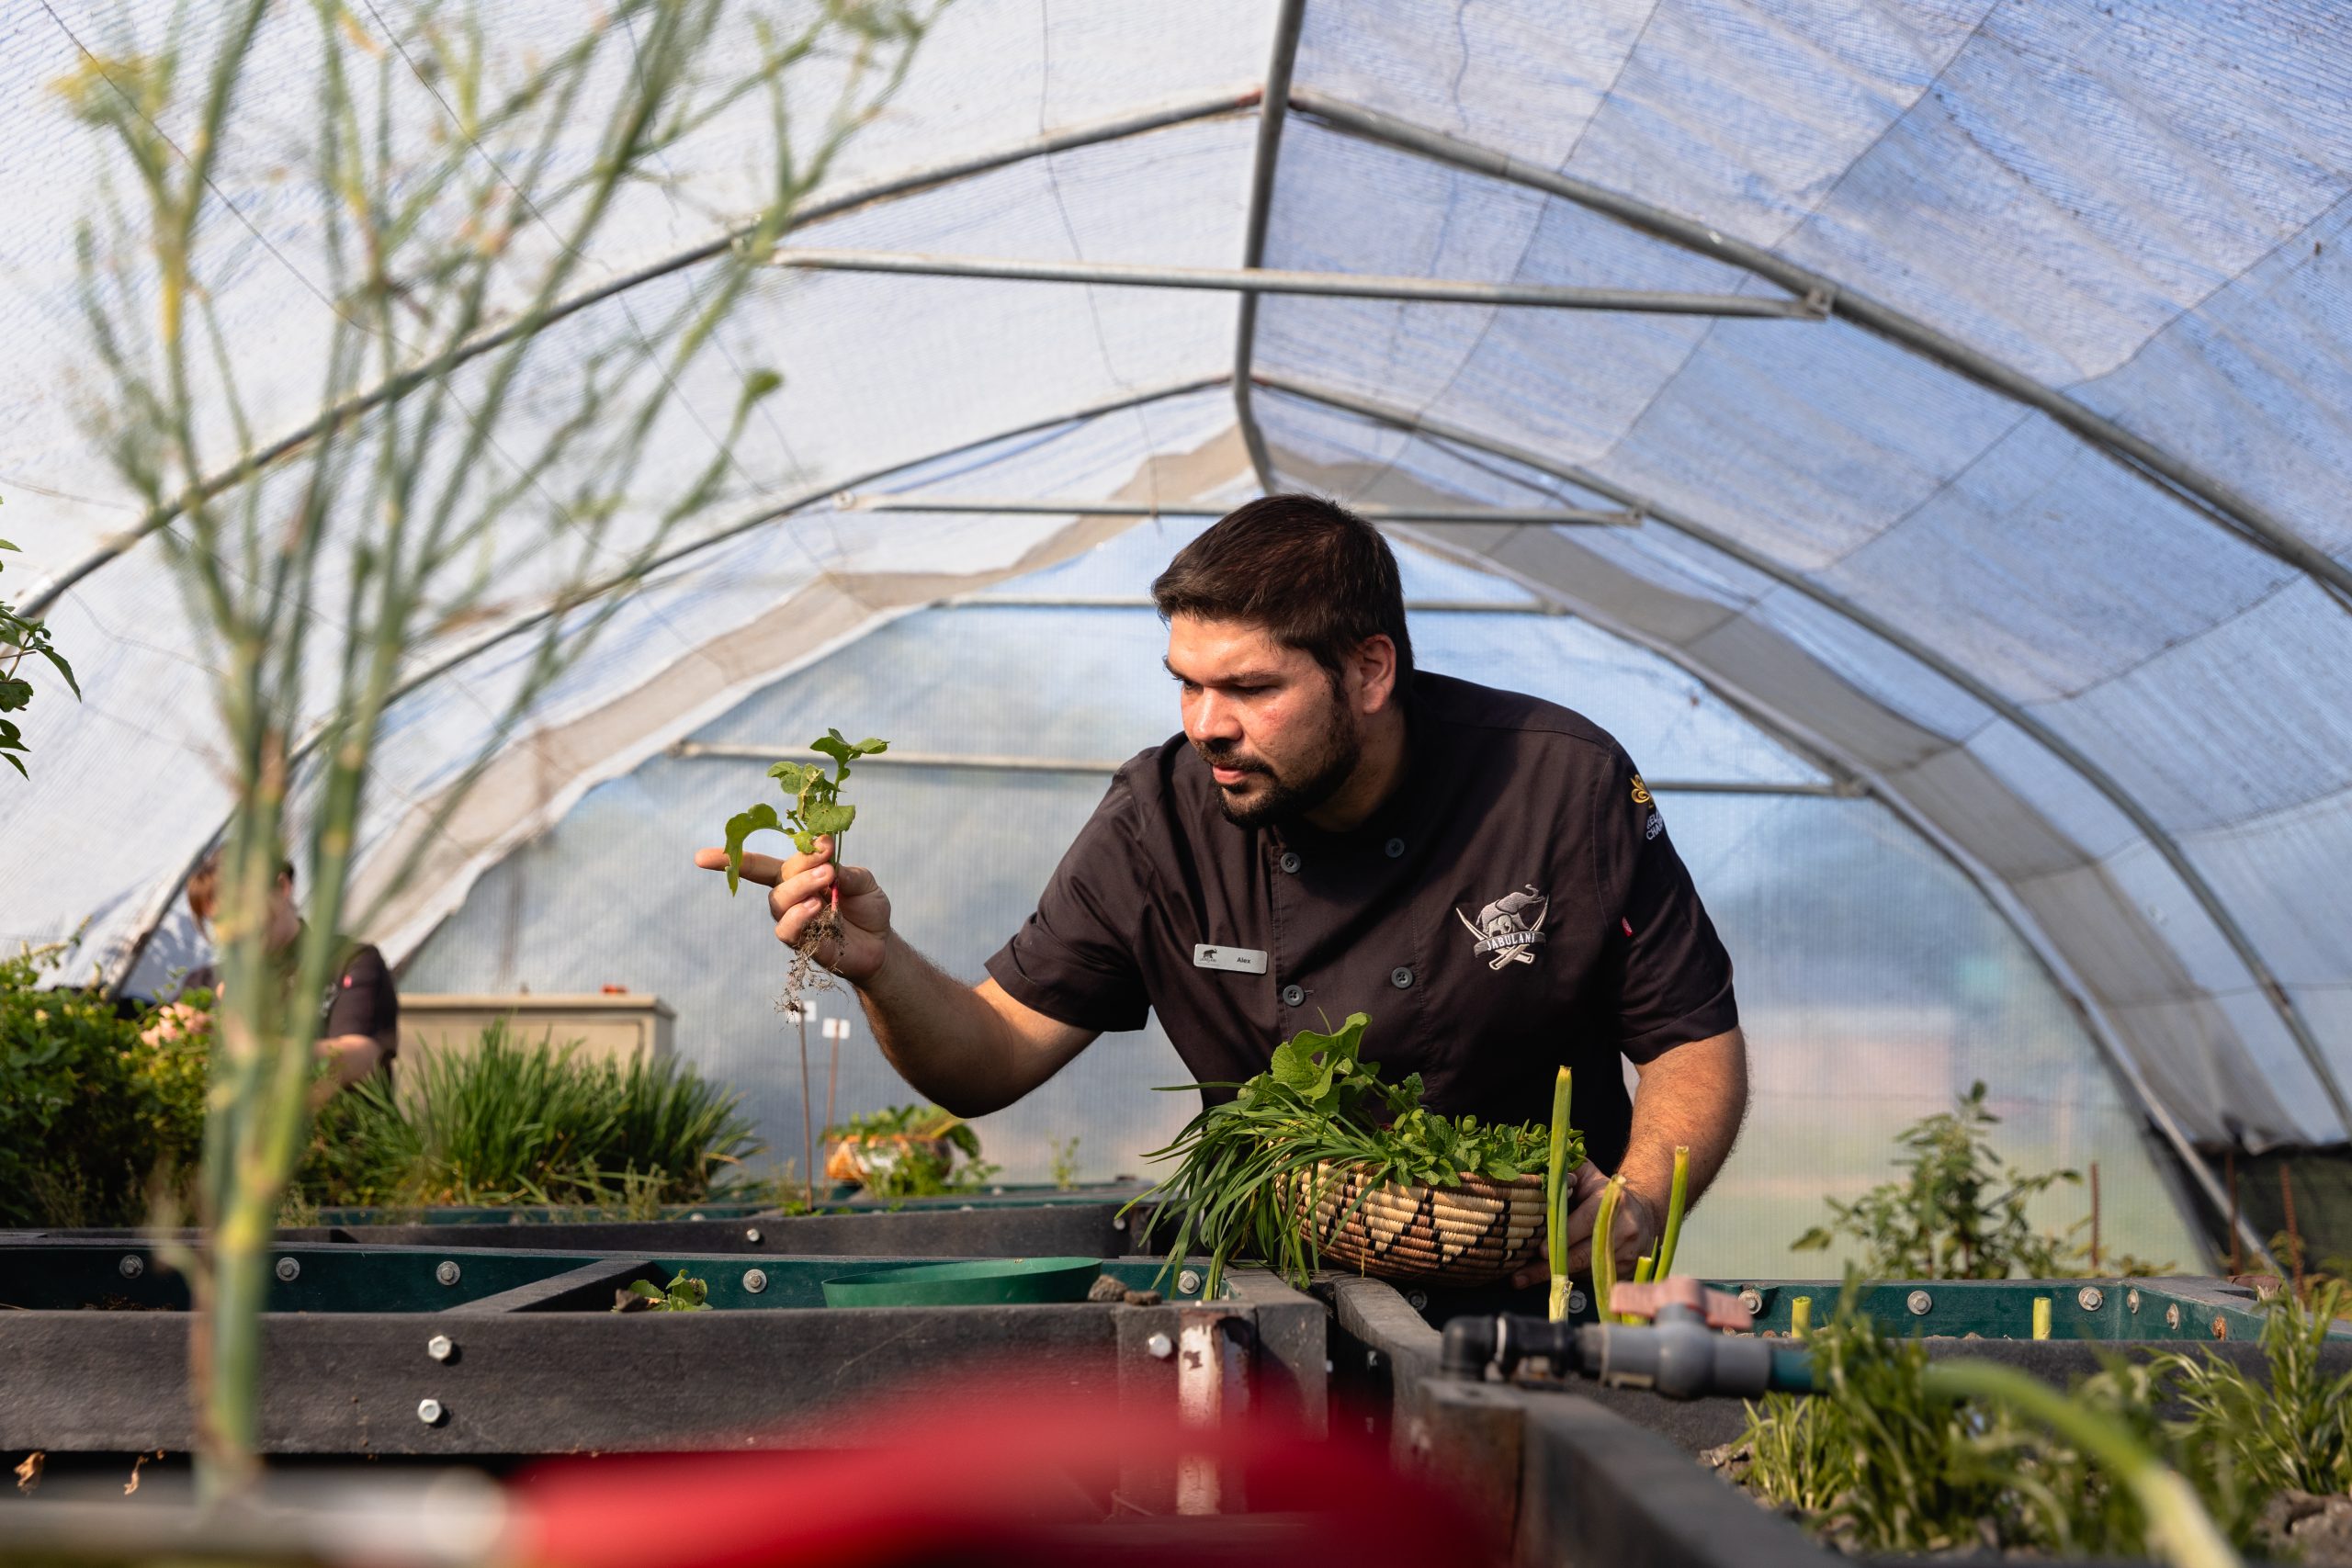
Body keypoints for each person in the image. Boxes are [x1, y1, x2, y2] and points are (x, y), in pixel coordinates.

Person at [696, 495, 1747, 1284]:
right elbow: (989, 1056)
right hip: (1270, 1292)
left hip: (1544, 1295)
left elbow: (1689, 1039)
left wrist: (1641, 1201)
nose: (1206, 724)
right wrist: (881, 969)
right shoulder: (1158, 821)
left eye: (1248, 688)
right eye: (1186, 684)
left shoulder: (1557, 785)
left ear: (1370, 672)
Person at [178, 852, 400, 1096]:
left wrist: (258, 1050)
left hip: (341, 1132)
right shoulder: (205, 983)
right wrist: (168, 1037)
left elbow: (362, 1055)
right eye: (219, 921)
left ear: (282, 887)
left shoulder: (348, 961)